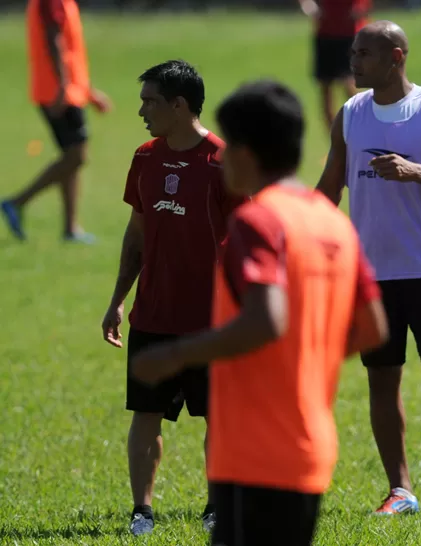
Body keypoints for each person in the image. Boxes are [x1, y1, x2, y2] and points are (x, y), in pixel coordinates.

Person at [131, 79, 388, 546]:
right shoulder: (332, 223)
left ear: (247, 155)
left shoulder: (258, 221)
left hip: (252, 449)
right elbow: (373, 328)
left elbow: (265, 320)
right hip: (311, 447)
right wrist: (307, 354)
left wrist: (176, 355)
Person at [316, 20, 421, 515]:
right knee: (381, 378)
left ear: (396, 56)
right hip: (369, 274)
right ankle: (400, 488)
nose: (354, 62)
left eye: (364, 53)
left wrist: (416, 171)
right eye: (352, 53)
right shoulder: (349, 115)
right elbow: (329, 187)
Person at [100, 60, 247, 537]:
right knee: (145, 415)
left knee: (221, 419)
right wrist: (119, 298)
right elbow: (136, 233)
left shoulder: (225, 162)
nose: (141, 110)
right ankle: (142, 511)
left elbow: (251, 241)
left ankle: (216, 506)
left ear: (179, 106)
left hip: (212, 320)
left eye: (150, 101)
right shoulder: (145, 157)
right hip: (154, 314)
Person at [2, 0, 112, 243]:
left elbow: (69, 48)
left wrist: (89, 91)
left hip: (66, 89)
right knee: (77, 156)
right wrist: (63, 86)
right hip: (60, 92)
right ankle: (17, 202)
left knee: (71, 157)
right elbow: (53, 39)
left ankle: (70, 228)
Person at [299, 0, 371, 131]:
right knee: (325, 87)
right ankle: (336, 142)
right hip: (325, 32)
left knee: (350, 83)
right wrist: (307, 4)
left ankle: (366, 130)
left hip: (350, 32)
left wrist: (361, 6)